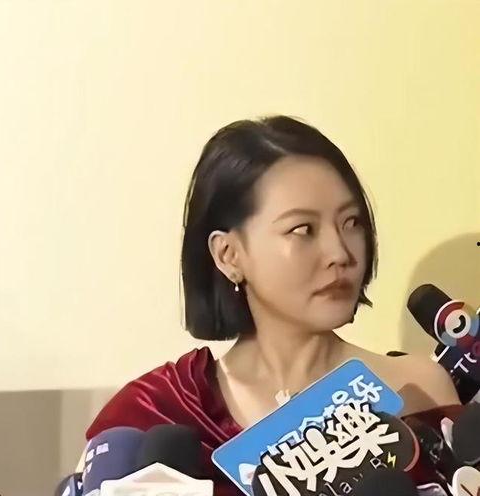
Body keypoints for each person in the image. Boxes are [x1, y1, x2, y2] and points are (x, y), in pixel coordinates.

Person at [79, 116, 462, 495]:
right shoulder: (155, 412)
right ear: (229, 254)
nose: (339, 253)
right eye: (303, 229)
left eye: (351, 222)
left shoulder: (420, 390)